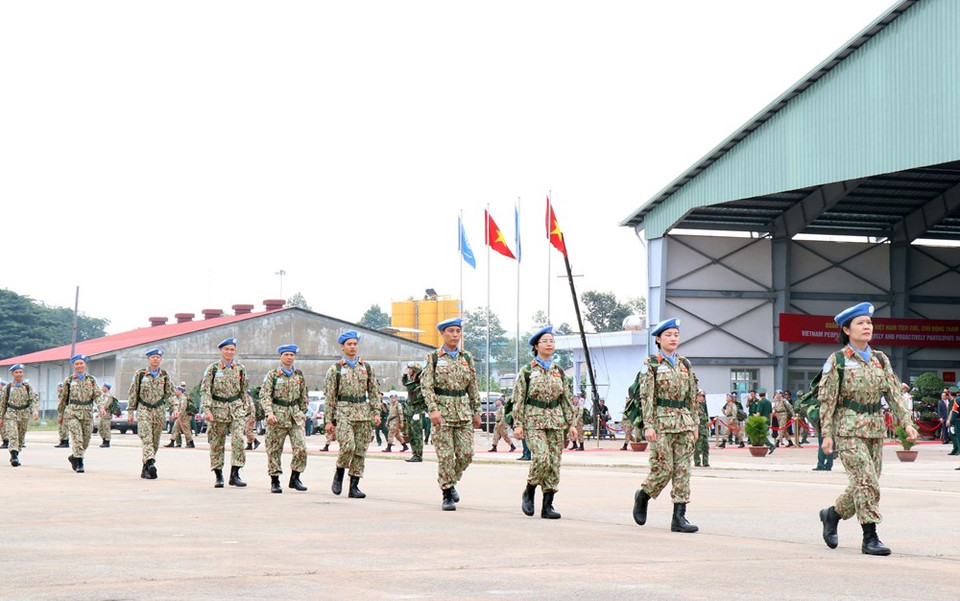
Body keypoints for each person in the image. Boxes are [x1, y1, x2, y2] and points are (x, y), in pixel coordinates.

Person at [817, 302, 918, 556]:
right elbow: (827, 400)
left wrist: (906, 423)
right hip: (848, 429)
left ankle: (833, 514)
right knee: (867, 481)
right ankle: (870, 537)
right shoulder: (838, 360)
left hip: (874, 429)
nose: (866, 327)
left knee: (865, 484)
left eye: (869, 323)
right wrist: (827, 435)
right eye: (860, 323)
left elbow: (894, 394)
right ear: (847, 330)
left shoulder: (880, 359)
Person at [632, 318, 700, 533]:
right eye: (668, 335)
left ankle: (679, 517)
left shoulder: (685, 364)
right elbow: (646, 397)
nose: (673, 338)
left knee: (683, 470)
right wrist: (648, 425)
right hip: (661, 422)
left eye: (676, 335)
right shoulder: (651, 364)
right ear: (659, 339)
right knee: (664, 469)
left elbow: (692, 396)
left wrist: (696, 422)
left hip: (684, 422)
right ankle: (643, 495)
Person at [514, 326, 577, 519]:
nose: (550, 344)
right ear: (536, 346)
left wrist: (572, 423)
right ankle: (530, 489)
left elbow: (566, 398)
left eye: (552, 341)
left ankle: (548, 504)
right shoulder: (527, 370)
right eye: (545, 341)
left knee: (554, 463)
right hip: (534, 419)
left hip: (556, 420)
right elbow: (518, 398)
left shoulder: (559, 371)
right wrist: (518, 423)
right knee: (542, 458)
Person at [420, 317, 481, 511]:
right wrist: (433, 409)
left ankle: (450, 480)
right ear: (442, 334)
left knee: (466, 454)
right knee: (446, 455)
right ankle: (446, 493)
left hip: (463, 410)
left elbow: (473, 386)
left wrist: (476, 411)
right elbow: (426, 385)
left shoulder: (467, 357)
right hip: (442, 411)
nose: (455, 334)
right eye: (451, 331)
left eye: (458, 331)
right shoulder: (434, 357)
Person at [324, 331, 381, 499]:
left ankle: (354, 485)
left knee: (360, 450)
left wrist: (376, 412)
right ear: (342, 347)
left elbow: (374, 392)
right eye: (349, 344)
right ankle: (340, 471)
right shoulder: (336, 369)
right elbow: (330, 396)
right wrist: (329, 420)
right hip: (343, 412)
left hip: (363, 412)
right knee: (348, 446)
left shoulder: (367, 367)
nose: (353, 347)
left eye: (355, 344)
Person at [201, 338, 252, 488]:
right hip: (218, 409)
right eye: (226, 349)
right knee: (217, 443)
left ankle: (235, 474)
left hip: (236, 409)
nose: (229, 352)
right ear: (221, 351)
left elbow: (243, 390)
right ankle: (218, 475)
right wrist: (207, 409)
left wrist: (246, 408)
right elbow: (205, 390)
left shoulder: (240, 369)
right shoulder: (213, 369)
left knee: (238, 440)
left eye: (232, 349)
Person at [261, 345, 309, 493]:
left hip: (295, 416)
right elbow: (265, 395)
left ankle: (295, 477)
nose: (289, 357)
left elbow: (303, 396)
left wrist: (303, 413)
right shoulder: (273, 375)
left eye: (292, 355)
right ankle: (275, 480)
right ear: (281, 357)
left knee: (301, 448)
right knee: (274, 449)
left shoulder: (299, 375)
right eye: (286, 354)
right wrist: (269, 413)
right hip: (277, 415)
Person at [127, 348, 177, 480]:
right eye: (153, 357)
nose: (155, 359)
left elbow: (170, 394)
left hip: (159, 410)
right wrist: (130, 411)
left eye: (158, 357)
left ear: (161, 359)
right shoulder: (141, 374)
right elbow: (133, 393)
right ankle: (150, 462)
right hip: (144, 408)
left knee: (155, 440)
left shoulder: (164, 375)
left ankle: (146, 468)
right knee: (146, 437)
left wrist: (175, 407)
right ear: (148, 359)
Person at [57, 354, 103, 473]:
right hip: (72, 413)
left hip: (87, 412)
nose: (79, 366)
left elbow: (97, 395)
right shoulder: (69, 381)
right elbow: (63, 398)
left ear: (85, 364)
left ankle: (74, 456)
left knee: (86, 440)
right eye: (77, 364)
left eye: (81, 363)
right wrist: (61, 414)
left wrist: (101, 407)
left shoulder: (91, 380)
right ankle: (79, 462)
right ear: (73, 365)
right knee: (77, 438)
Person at [0, 364, 39, 466]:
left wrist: (35, 411)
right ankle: (14, 456)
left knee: (21, 437)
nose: (19, 374)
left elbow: (32, 400)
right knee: (13, 435)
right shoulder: (7, 387)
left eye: (20, 372)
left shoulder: (27, 387)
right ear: (12, 374)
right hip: (11, 413)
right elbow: (3, 403)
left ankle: (16, 452)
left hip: (24, 414)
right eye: (16, 372)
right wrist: (1, 417)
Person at [402, 362, 426, 463]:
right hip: (410, 412)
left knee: (417, 434)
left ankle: (418, 455)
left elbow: (420, 398)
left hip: (416, 411)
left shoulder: (420, 383)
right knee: (411, 434)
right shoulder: (411, 381)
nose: (408, 371)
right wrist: (404, 375)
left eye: (410, 369)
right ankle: (414, 453)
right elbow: (405, 383)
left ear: (415, 371)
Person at [692, 390, 710, 467]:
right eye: (700, 396)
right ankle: (697, 462)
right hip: (698, 430)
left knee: (706, 447)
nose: (701, 398)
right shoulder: (695, 406)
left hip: (704, 430)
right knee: (698, 447)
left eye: (703, 396)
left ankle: (705, 462)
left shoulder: (704, 406)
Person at [97, 383, 117, 448]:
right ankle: (103, 439)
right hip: (102, 415)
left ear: (106, 388)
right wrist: (99, 412)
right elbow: (99, 404)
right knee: (101, 428)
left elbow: (106, 405)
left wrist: (102, 409)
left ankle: (107, 441)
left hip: (107, 415)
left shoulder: (108, 396)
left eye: (103, 387)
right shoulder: (103, 396)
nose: (102, 388)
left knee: (106, 428)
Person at [54, 383, 69, 448]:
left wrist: (61, 415)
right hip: (61, 412)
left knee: (64, 427)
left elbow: (63, 405)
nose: (58, 389)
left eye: (59, 387)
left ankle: (65, 441)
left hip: (65, 412)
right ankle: (62, 440)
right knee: (61, 427)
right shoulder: (60, 395)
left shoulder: (64, 395)